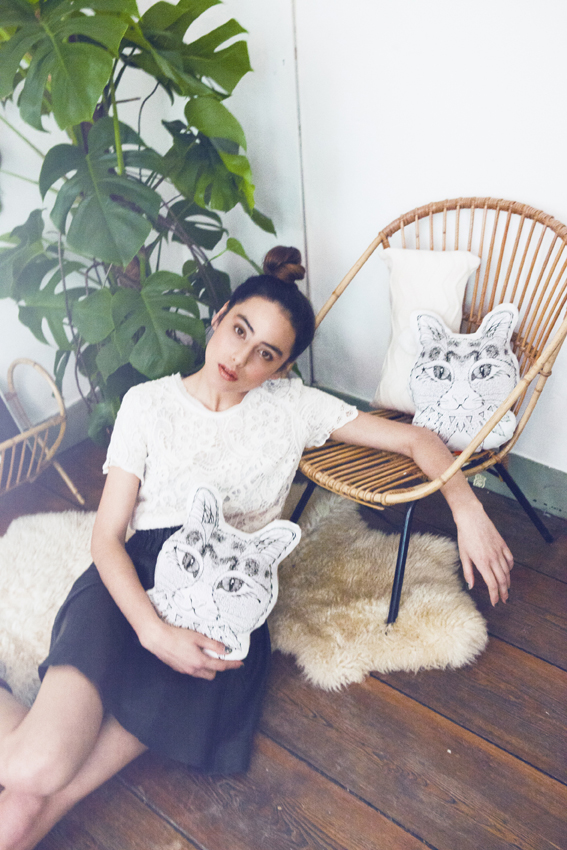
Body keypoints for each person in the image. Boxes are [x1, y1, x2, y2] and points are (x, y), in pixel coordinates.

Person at [0, 246, 513, 849]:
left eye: (266, 353)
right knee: (34, 769)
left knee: (24, 814)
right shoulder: (148, 404)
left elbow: (417, 439)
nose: (240, 359)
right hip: (132, 582)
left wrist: (468, 510)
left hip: (222, 610)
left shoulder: (293, 408)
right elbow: (106, 538)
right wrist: (152, 631)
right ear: (219, 317)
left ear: (282, 368)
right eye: (239, 330)